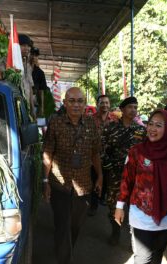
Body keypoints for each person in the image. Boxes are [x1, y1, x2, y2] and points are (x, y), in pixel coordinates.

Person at [114, 109, 167, 264]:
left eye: (159, 125)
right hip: (140, 213)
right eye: (150, 124)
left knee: (158, 255)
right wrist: (119, 206)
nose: (152, 128)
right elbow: (127, 179)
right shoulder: (136, 152)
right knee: (143, 258)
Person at [42, 87, 103, 264]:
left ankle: (64, 249)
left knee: (75, 226)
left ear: (85, 104)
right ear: (65, 103)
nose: (76, 105)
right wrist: (45, 181)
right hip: (60, 185)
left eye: (80, 101)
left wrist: (100, 176)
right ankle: (64, 258)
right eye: (72, 101)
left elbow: (95, 153)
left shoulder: (91, 124)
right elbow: (47, 152)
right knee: (63, 226)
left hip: (83, 186)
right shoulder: (56, 122)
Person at [102, 96, 146, 245]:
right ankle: (115, 232)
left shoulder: (141, 130)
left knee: (135, 206)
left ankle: (135, 238)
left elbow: (146, 152)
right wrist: (107, 165)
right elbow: (101, 149)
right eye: (130, 107)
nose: (133, 110)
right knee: (113, 204)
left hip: (135, 175)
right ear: (122, 109)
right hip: (115, 173)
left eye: (135, 107)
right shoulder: (110, 127)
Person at [0, 34, 35, 117]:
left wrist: (32, 109)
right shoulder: (6, 61)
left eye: (28, 46)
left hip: (24, 108)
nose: (27, 48)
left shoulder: (28, 66)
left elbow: (30, 88)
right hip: (10, 105)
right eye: (23, 45)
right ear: (15, 46)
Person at [89, 95, 112, 215]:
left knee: (107, 179)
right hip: (94, 156)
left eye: (107, 103)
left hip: (108, 156)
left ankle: (102, 198)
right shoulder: (91, 119)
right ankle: (93, 206)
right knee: (94, 179)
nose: (105, 105)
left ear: (110, 104)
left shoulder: (114, 120)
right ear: (97, 105)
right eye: (102, 103)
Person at [31, 47, 48, 117]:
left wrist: (42, 108)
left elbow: (41, 91)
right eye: (32, 54)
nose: (33, 57)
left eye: (36, 55)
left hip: (34, 102)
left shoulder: (40, 73)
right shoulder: (21, 68)